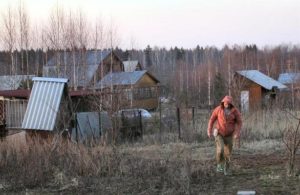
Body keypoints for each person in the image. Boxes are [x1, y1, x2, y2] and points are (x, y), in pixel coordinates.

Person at [207, 95, 242, 175]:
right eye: (225, 103)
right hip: (219, 133)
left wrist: (237, 132)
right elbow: (212, 119)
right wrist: (209, 130)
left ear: (231, 103)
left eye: (228, 103)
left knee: (228, 153)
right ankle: (220, 165)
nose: (227, 104)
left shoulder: (235, 111)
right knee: (221, 149)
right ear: (223, 102)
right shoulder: (218, 109)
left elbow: (239, 122)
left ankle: (227, 169)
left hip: (230, 134)